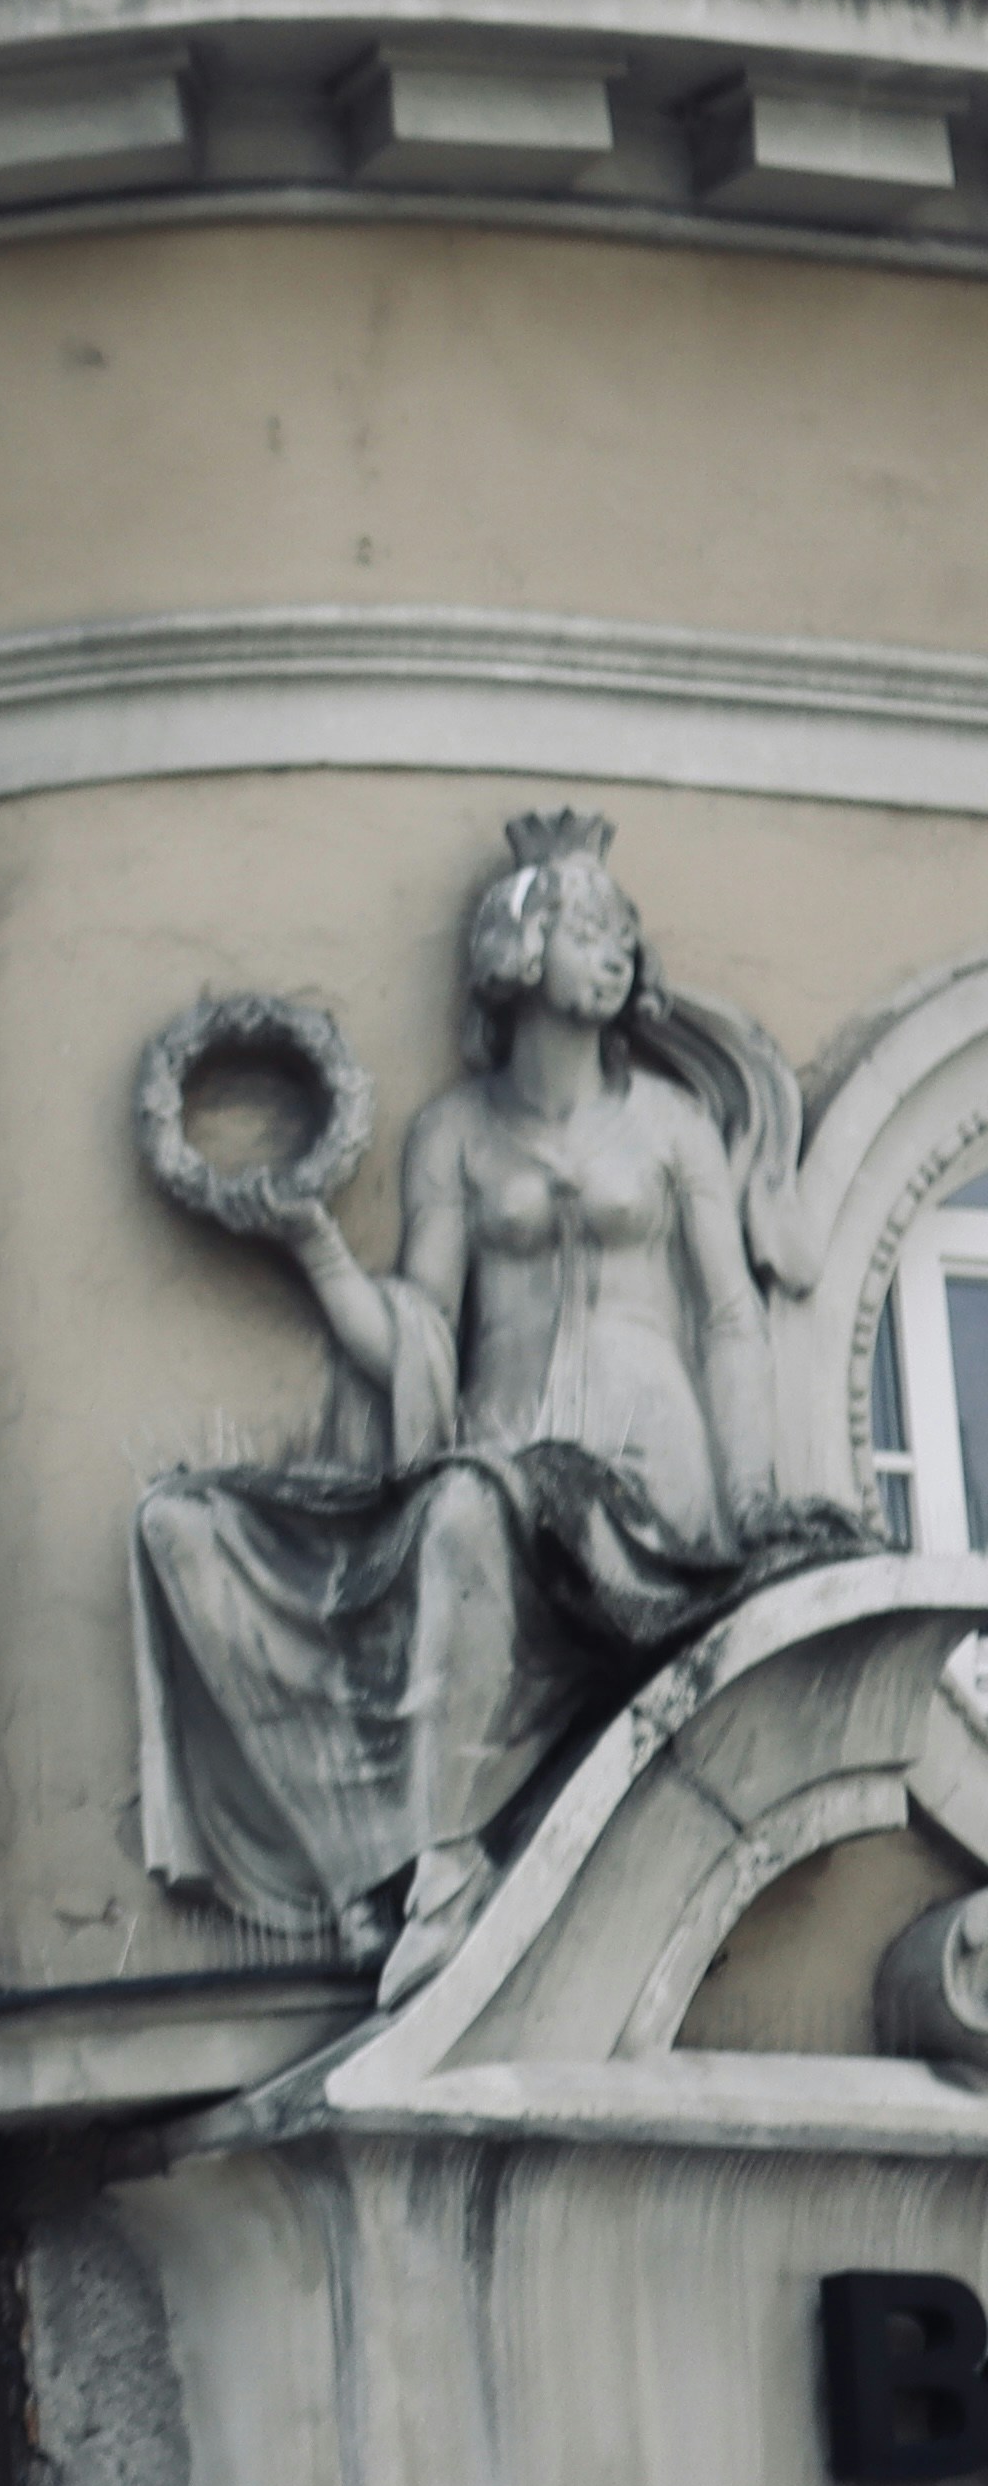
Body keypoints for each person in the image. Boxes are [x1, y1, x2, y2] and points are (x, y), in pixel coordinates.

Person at [136, 814, 860, 1996]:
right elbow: (417, 1325)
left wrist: (750, 1508)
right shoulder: (456, 1136)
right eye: (585, 926)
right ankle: (442, 1861)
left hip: (648, 1466)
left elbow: (730, 1320)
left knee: (472, 1504)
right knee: (296, 1514)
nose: (614, 948)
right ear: (518, 951)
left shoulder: (672, 1127)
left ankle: (444, 1861)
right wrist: (314, 1243)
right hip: (510, 1448)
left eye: (621, 929)